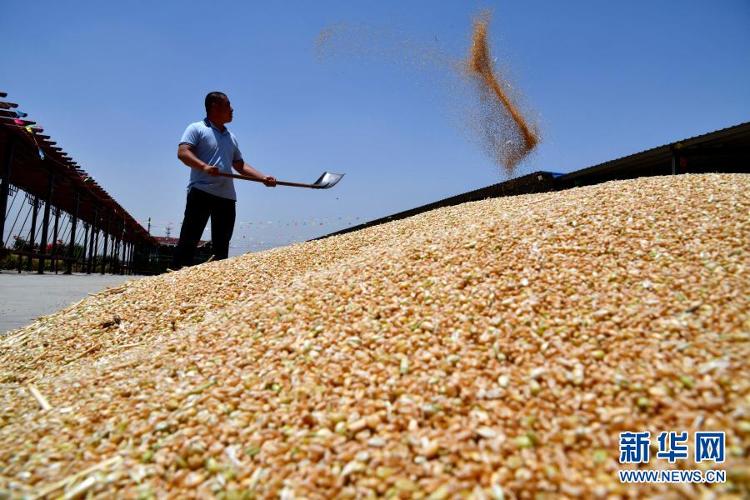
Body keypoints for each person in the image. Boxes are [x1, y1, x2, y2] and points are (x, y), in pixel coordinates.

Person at [172, 91, 276, 268]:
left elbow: (240, 165)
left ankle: (216, 282)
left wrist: (262, 178)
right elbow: (183, 153)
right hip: (201, 192)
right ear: (214, 107)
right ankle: (175, 276)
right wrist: (204, 167)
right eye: (228, 105)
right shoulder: (196, 128)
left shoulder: (231, 137)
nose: (232, 109)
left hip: (226, 197)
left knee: (221, 245)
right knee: (189, 239)